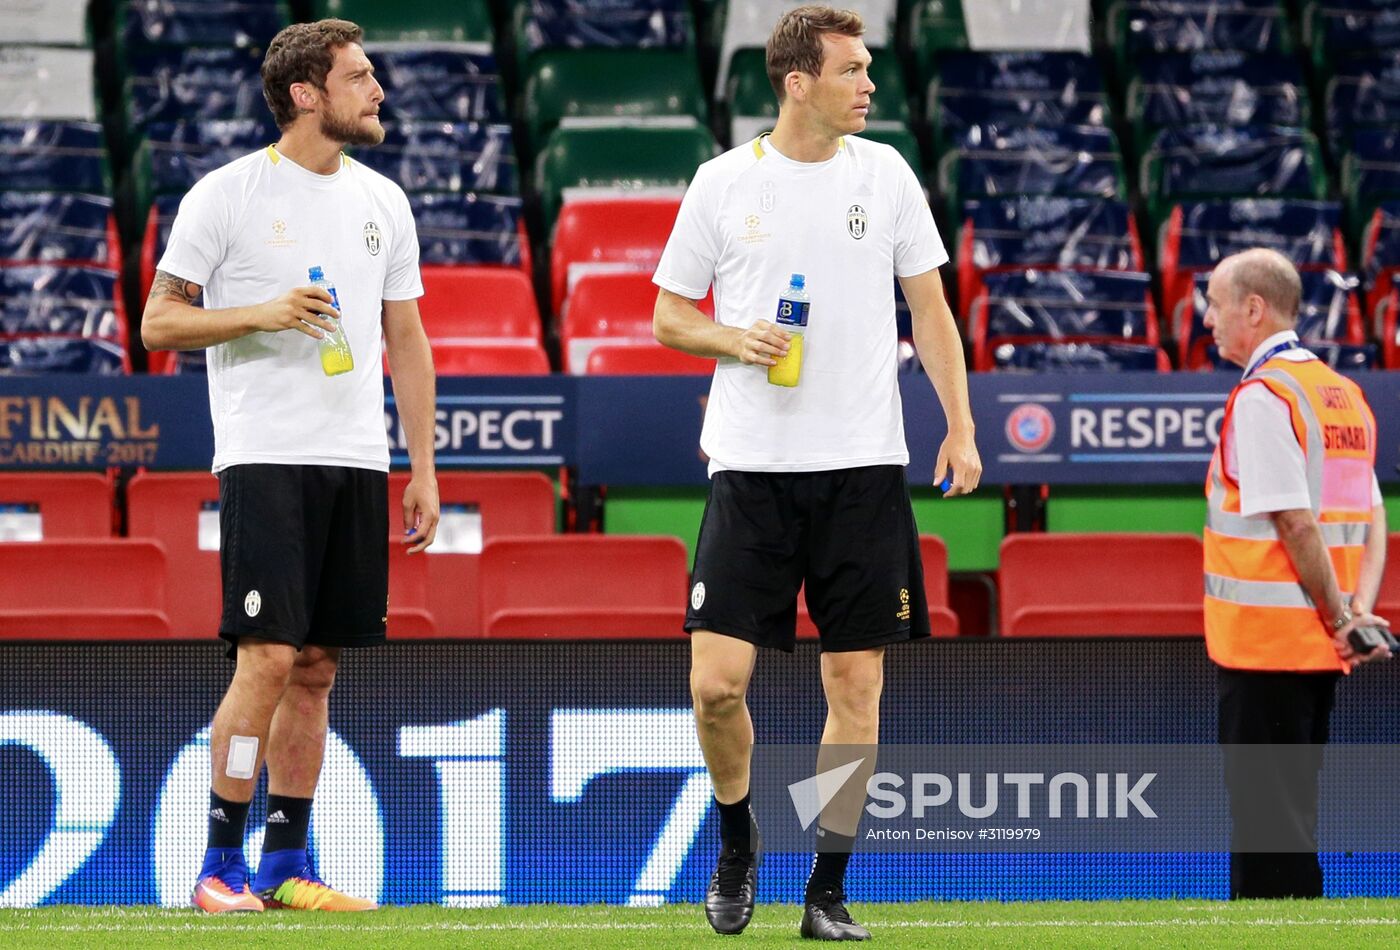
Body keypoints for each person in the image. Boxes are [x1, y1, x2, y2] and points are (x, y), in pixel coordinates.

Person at [652, 6, 981, 939]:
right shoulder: (723, 183)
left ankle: (828, 888)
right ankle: (737, 837)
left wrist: (959, 425)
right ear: (798, 81)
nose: (869, 84)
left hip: (864, 471)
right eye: (852, 70)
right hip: (751, 468)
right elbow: (669, 316)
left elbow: (932, 311)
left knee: (857, 688)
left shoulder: (888, 175)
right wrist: (732, 337)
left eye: (868, 69)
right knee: (715, 684)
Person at [142, 19, 439, 913]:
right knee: (266, 659)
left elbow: (408, 339)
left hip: (356, 460)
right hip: (266, 456)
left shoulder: (385, 201)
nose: (377, 89)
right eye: (359, 76)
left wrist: (422, 466)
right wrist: (261, 313)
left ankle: (286, 864)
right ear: (306, 93)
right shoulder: (225, 197)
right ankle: (217, 868)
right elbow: (159, 322)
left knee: (316, 666)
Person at [1202, 247, 1389, 899]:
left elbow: (1297, 523)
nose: (1208, 321)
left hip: (1265, 651)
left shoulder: (1264, 397)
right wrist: (1356, 615)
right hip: (1316, 651)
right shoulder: (1340, 395)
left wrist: (1342, 617)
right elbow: (1372, 520)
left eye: (1215, 305)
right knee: (1290, 822)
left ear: (1253, 309)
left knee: (1267, 833)